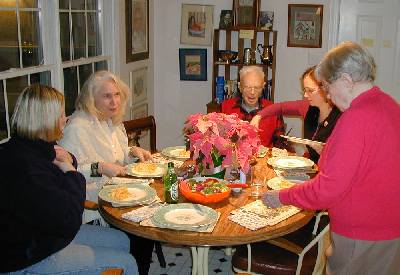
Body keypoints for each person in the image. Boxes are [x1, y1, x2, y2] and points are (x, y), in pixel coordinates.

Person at [262, 41, 400, 274]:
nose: (327, 94)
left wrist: (281, 197)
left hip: (363, 235)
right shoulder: (388, 104)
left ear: (346, 80)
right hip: (388, 228)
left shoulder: (355, 118)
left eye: (326, 85)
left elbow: (327, 190)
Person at [0, 84, 138, 274]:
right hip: (29, 255)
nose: (66, 118)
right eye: (61, 114)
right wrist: (71, 172)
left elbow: (64, 156)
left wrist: (68, 160)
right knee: (126, 262)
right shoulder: (27, 170)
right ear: (46, 120)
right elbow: (70, 219)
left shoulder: (30, 145)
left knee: (121, 240)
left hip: (46, 235)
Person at [59, 70, 154, 275]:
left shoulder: (112, 121)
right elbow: (66, 171)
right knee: (142, 232)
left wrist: (133, 152)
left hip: (118, 192)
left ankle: (139, 269)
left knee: (149, 223)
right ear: (92, 99)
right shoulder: (77, 127)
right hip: (94, 202)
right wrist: (99, 167)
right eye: (107, 96)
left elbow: (118, 158)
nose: (114, 102)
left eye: (117, 94)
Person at [251, 65, 341, 162]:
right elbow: (280, 107)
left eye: (310, 91)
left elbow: (343, 160)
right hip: (312, 166)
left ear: (325, 89)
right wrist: (258, 116)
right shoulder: (307, 107)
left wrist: (325, 152)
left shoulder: (341, 115)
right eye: (304, 90)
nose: (305, 95)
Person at [221, 65, 286, 148]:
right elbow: (218, 142)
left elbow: (280, 145)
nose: (252, 92)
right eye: (248, 87)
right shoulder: (225, 107)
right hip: (234, 160)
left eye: (257, 87)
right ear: (240, 87)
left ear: (263, 86)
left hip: (264, 159)